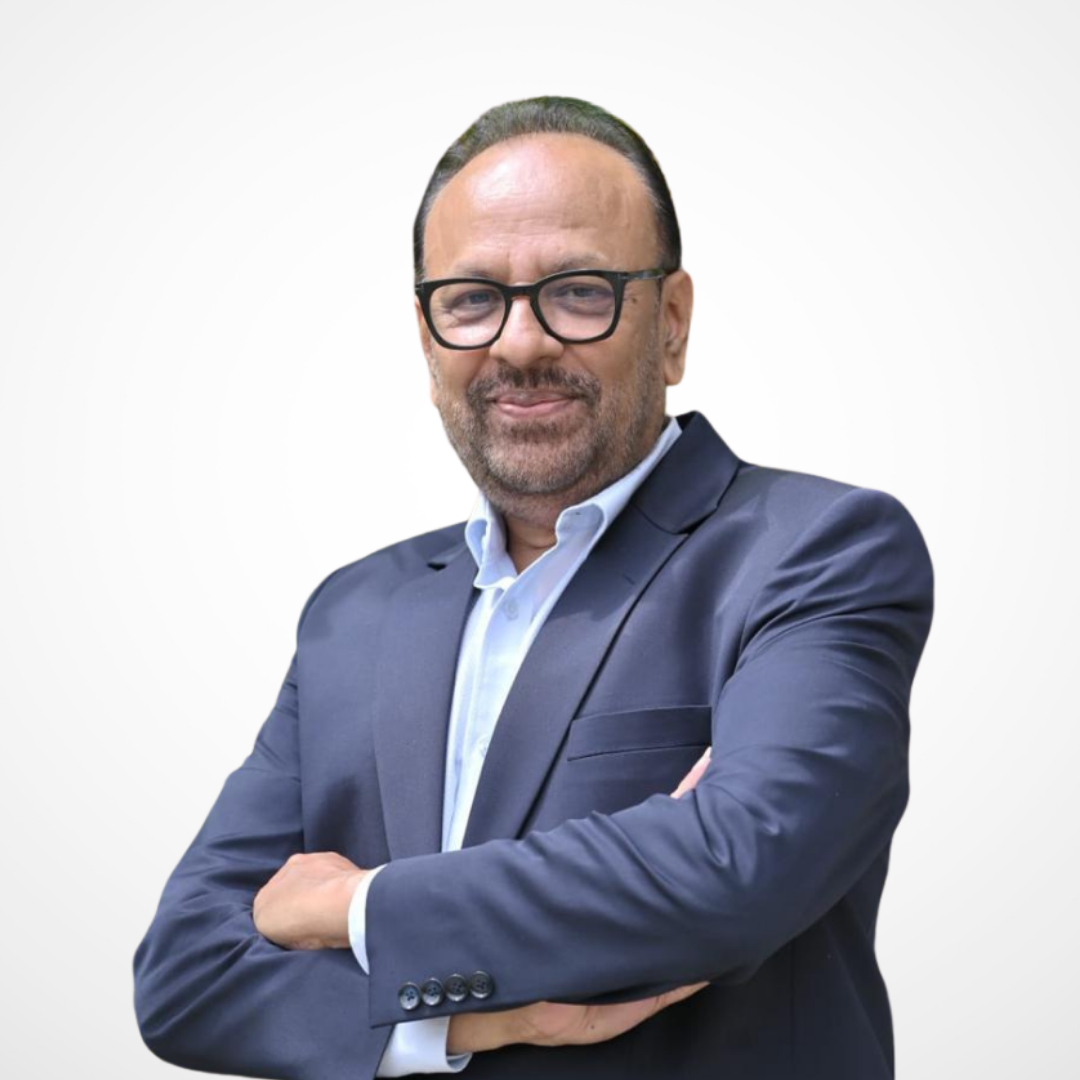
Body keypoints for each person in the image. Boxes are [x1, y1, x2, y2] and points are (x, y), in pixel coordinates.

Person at [133, 96, 934, 1080]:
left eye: (579, 292)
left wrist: (355, 906)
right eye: (472, 299)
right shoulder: (355, 613)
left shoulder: (815, 551)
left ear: (671, 323)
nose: (518, 343)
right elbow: (185, 975)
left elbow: (737, 868)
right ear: (426, 337)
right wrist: (476, 1026)